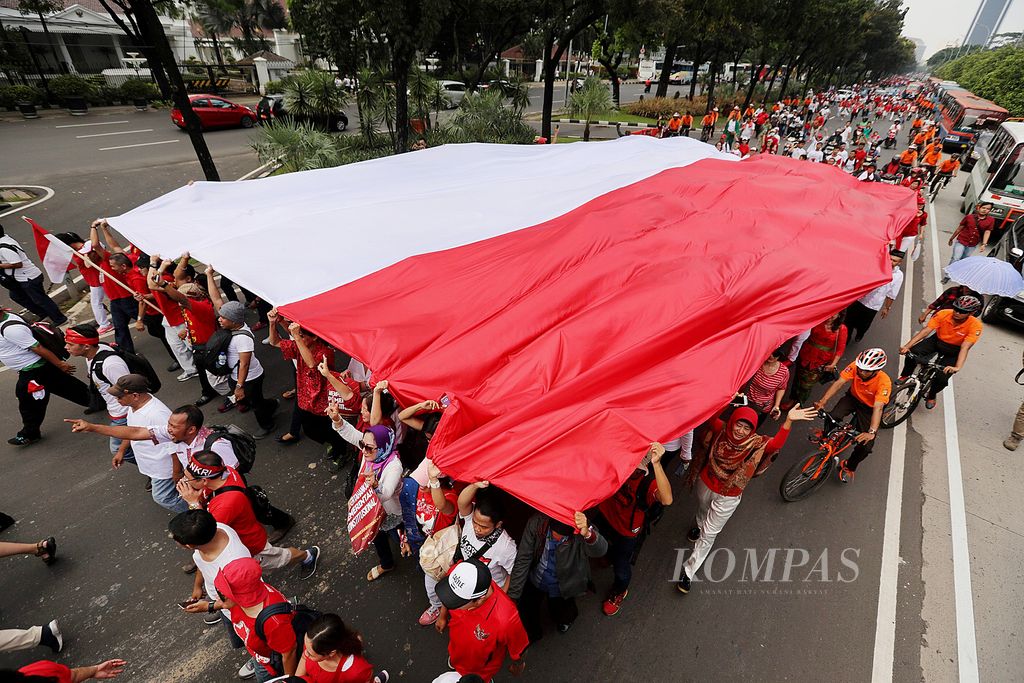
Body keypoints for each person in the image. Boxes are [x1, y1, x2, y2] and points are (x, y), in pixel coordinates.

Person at [677, 404, 816, 593]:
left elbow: (775, 445)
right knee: (702, 508)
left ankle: (688, 571)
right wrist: (725, 401)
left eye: (747, 428)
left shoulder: (757, 443)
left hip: (730, 495)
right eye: (739, 425)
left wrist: (788, 421)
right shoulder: (721, 430)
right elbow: (710, 420)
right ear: (732, 422)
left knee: (709, 534)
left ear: (753, 430)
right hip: (706, 482)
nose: (741, 431)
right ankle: (699, 525)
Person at [176, 450, 319, 579]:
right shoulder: (227, 472)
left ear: (204, 480)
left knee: (282, 558)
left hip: (250, 544)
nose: (184, 481)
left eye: (187, 479)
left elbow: (204, 531)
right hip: (245, 532)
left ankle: (307, 555)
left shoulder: (225, 504)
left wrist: (193, 502)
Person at [171, 510, 254, 678]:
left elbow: (234, 602)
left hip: (240, 609)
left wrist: (208, 606)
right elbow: (201, 560)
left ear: (188, 545)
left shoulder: (232, 565)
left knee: (250, 637)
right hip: (221, 597)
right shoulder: (213, 530)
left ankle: (258, 657)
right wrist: (198, 586)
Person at [591, 442, 671, 616]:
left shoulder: (647, 482)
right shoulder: (617, 460)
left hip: (626, 530)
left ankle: (619, 591)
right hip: (605, 513)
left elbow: (667, 499)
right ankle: (608, 556)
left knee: (621, 566)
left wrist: (657, 464)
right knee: (602, 544)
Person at [508, 510, 607, 641]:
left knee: (562, 609)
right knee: (528, 610)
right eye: (555, 535)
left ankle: (566, 620)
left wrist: (588, 534)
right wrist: (513, 597)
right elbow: (524, 558)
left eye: (563, 537)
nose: (558, 539)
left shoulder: (582, 527)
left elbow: (601, 550)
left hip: (564, 584)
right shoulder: (537, 523)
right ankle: (533, 634)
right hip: (536, 578)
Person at [206, 267, 278, 438]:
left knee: (255, 403)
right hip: (237, 376)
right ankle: (272, 404)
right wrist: (209, 275)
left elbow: (244, 364)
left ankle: (267, 425)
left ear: (233, 320)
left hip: (250, 378)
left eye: (223, 317)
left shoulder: (243, 339)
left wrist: (239, 386)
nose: (219, 319)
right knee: (252, 400)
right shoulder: (231, 323)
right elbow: (216, 298)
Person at [1, 308, 90, 446]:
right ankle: (97, 400)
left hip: (33, 370)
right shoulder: (8, 318)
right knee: (69, 387)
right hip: (39, 368)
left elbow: (37, 348)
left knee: (28, 402)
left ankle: (29, 433)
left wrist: (60, 364)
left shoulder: (11, 330)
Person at [267, 311, 345, 456]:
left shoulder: (325, 352)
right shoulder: (299, 346)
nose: (299, 339)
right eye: (299, 336)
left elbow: (311, 363)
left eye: (303, 336)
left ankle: (340, 451)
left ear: (315, 337)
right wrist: (272, 323)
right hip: (305, 400)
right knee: (310, 431)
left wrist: (296, 336)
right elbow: (274, 341)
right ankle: (334, 445)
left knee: (332, 430)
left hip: (323, 402)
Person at [436, 558, 528, 681]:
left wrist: (518, 666)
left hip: (480, 670)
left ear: (480, 599)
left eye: (457, 601)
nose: (452, 604)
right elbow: (448, 596)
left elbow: (519, 649)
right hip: (455, 649)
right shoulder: (460, 573)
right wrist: (442, 616)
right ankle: (455, 662)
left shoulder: (507, 618)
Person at [106, 374, 186, 512]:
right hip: (152, 464)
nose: (116, 400)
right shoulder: (134, 406)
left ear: (135, 395)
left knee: (163, 497)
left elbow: (175, 444)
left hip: (163, 467)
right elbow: (132, 431)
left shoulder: (157, 414)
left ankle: (199, 514)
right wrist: (121, 451)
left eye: (120, 397)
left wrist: (176, 472)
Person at [214, 557, 300, 682]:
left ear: (242, 596)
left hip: (269, 662)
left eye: (222, 594)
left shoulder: (274, 622)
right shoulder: (251, 591)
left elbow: (289, 653)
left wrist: (287, 681)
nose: (217, 596)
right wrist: (209, 606)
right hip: (259, 654)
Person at [813, 348, 891, 483]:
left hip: (869, 408)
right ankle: (826, 435)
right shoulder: (856, 366)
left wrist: (871, 432)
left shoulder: (884, 382)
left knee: (865, 447)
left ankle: (849, 466)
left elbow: (878, 408)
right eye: (860, 368)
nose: (861, 372)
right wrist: (822, 401)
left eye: (866, 371)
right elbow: (839, 383)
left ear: (877, 370)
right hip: (853, 398)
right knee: (832, 416)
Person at [899, 295, 983, 410]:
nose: (957, 313)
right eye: (956, 309)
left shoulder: (976, 326)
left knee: (941, 379)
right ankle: (905, 375)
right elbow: (926, 331)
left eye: (962, 311)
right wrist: (907, 346)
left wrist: (957, 367)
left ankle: (931, 395)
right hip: (937, 341)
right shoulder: (943, 314)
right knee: (912, 353)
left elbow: (965, 347)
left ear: (971, 313)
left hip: (954, 350)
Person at [64, 324, 133, 462]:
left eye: (71, 344)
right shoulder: (93, 353)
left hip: (124, 413)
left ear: (86, 346)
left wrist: (132, 419)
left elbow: (130, 390)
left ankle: (156, 472)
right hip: (117, 412)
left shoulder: (110, 364)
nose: (66, 347)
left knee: (120, 450)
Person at [156, 274, 220, 405]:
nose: (178, 302)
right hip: (199, 346)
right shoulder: (188, 307)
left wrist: (164, 285)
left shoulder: (201, 306)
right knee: (203, 371)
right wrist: (187, 330)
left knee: (219, 372)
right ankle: (208, 391)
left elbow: (182, 299)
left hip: (209, 346)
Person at [88, 220, 147, 354]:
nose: (87, 256)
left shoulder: (109, 260)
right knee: (120, 327)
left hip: (127, 299)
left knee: (150, 320)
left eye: (89, 253)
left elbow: (96, 245)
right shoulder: (102, 264)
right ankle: (126, 352)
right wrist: (105, 229)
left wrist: (94, 227)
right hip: (116, 302)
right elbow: (114, 244)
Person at [0, 223, 67, 325]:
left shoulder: (4, 247)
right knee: (16, 296)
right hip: (20, 278)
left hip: (28, 277)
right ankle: (44, 314)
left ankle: (59, 319)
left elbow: (17, 264)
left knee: (40, 300)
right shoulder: (5, 239)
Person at [146, 257, 198, 382]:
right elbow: (152, 286)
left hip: (181, 318)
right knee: (177, 347)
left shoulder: (173, 282)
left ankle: (206, 369)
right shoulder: (170, 281)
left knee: (193, 346)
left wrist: (155, 264)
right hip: (169, 318)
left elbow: (152, 284)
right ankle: (191, 370)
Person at [296, 613, 389, 683]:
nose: (305, 654)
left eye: (310, 654)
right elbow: (301, 667)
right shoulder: (312, 644)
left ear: (331, 653)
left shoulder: (356, 671)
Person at [54, 231, 112, 333]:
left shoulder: (88, 248)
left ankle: (104, 324)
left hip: (98, 279)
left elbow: (89, 264)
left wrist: (85, 253)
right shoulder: (76, 250)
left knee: (96, 303)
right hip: (94, 280)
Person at [844, 249, 905, 342]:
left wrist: (887, 308)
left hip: (873, 305)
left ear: (899, 262)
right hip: (859, 299)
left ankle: (860, 334)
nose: (891, 262)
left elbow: (892, 294)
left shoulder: (898, 276)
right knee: (848, 321)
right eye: (890, 259)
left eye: (894, 261)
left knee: (864, 324)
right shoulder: (876, 266)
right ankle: (846, 339)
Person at [790, 312, 847, 405]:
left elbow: (840, 349)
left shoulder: (842, 329)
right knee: (797, 379)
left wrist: (833, 364)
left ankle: (799, 403)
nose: (831, 316)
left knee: (806, 385)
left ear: (839, 315)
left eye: (834, 314)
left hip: (820, 361)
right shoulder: (818, 319)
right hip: (805, 354)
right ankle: (792, 400)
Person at [942, 202, 995, 283]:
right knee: (956, 258)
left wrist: (984, 244)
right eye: (984, 208)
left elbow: (987, 232)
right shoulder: (969, 217)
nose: (985, 210)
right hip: (962, 240)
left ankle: (957, 273)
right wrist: (951, 238)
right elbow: (960, 228)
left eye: (988, 209)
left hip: (973, 244)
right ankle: (947, 275)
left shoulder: (990, 220)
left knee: (964, 260)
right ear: (979, 207)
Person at [742, 349, 790, 422]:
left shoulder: (784, 372)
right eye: (769, 352)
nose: (771, 356)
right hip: (745, 400)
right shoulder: (757, 362)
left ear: (780, 355)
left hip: (762, 406)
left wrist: (776, 405)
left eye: (775, 354)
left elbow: (781, 388)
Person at [7, 657, 127, 681]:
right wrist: (94, 670)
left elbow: (72, 676)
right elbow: (72, 676)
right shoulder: (40, 671)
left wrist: (95, 670)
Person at [919, 284, 984, 324]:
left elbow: (976, 313)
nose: (968, 289)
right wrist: (924, 314)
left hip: (957, 325)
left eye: (972, 288)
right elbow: (937, 302)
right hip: (939, 319)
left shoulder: (979, 299)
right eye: (967, 287)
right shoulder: (953, 290)